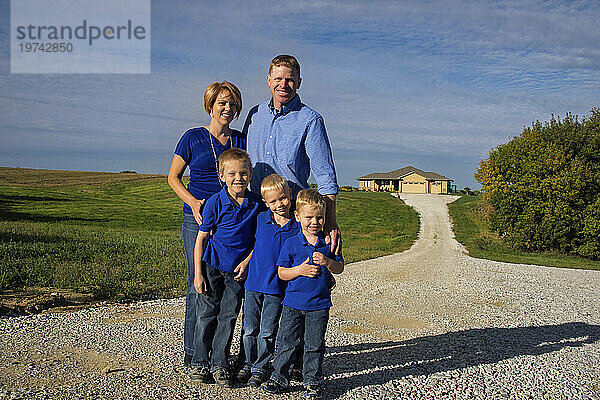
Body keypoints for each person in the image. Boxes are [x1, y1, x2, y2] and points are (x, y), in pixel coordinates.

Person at [167, 81, 244, 368]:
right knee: (197, 282)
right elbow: (173, 177)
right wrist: (194, 202)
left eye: (232, 104)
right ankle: (193, 350)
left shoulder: (240, 140)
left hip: (229, 223)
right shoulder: (193, 137)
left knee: (225, 284)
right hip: (196, 219)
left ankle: (219, 352)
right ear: (210, 105)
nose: (227, 108)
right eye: (222, 103)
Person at [243, 54, 342, 255]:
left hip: (291, 212)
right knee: (255, 275)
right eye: (278, 79)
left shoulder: (310, 120)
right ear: (268, 80)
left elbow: (325, 177)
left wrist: (330, 221)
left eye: (289, 79)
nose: (284, 85)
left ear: (298, 83)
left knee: (293, 278)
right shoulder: (255, 114)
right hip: (255, 209)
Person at [261, 189, 344, 400]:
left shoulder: (329, 243)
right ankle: (280, 377)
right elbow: (281, 272)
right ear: (298, 216)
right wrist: (299, 270)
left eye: (319, 217)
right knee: (287, 342)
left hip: (319, 305)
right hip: (293, 304)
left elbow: (339, 268)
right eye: (309, 217)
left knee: (314, 345)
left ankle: (312, 381)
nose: (314, 222)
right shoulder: (291, 243)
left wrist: (327, 262)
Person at [191, 148, 264, 387]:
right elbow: (201, 239)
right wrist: (198, 274)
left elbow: (258, 241)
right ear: (221, 175)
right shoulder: (214, 202)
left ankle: (220, 364)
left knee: (229, 316)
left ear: (250, 174)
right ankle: (200, 362)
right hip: (212, 266)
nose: (238, 178)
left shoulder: (256, 205)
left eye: (243, 173)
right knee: (207, 313)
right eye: (231, 173)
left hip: (238, 271)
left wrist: (247, 261)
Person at [236, 174, 299, 387]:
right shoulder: (261, 219)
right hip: (253, 283)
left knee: (267, 331)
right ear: (266, 202)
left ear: (290, 195)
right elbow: (255, 246)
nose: (279, 204)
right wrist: (245, 262)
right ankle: (246, 362)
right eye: (273, 201)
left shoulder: (297, 226)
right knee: (249, 328)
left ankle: (261, 367)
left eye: (283, 198)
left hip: (276, 287)